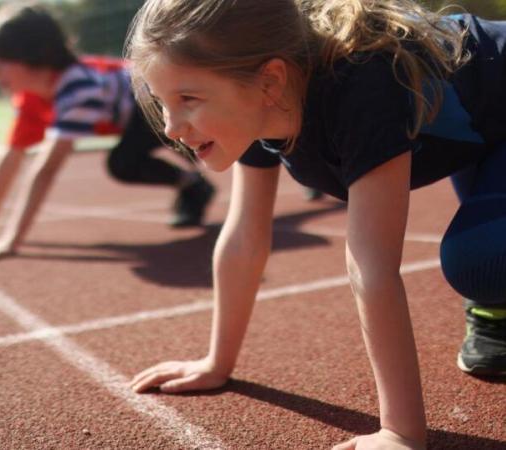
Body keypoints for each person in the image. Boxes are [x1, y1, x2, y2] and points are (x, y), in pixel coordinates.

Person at [124, 1, 506, 449]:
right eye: (161, 101)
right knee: (487, 259)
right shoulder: (254, 105)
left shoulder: (361, 85)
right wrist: (217, 362)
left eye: (187, 99)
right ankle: (495, 305)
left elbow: (372, 265)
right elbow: (246, 237)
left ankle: (493, 295)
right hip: (481, 125)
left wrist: (401, 433)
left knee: (482, 262)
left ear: (269, 80)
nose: (170, 128)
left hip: (494, 110)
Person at [0, 1, 215, 261]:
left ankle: (196, 183)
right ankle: (194, 184)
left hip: (150, 100)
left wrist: (11, 240)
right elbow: (11, 157)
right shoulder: (30, 96)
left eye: (0, 61)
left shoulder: (76, 88)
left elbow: (46, 170)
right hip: (131, 114)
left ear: (33, 56)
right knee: (134, 159)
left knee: (126, 162)